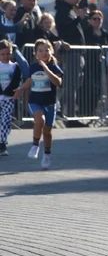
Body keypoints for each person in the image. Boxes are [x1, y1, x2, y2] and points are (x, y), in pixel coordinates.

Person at [13, 39, 63, 167]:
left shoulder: (53, 66)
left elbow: (58, 82)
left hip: (50, 103)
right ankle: (35, 145)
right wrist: (21, 88)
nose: (44, 53)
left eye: (47, 50)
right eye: (41, 51)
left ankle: (47, 154)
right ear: (36, 54)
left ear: (51, 52)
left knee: (47, 131)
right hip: (35, 101)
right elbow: (30, 80)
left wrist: (46, 69)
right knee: (39, 119)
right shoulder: (33, 67)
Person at [0, 40, 23, 156]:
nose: (5, 56)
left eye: (8, 53)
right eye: (3, 54)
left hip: (9, 98)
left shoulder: (14, 67)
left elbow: (17, 80)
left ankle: (2, 143)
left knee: (5, 120)